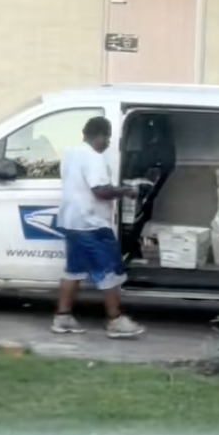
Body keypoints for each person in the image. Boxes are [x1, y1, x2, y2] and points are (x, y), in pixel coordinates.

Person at [51, 115, 145, 339]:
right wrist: (126, 191)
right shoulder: (93, 158)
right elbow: (100, 190)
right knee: (109, 269)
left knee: (74, 271)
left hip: (71, 222)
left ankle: (63, 317)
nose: (108, 144)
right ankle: (115, 320)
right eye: (108, 139)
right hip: (91, 224)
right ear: (101, 136)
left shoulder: (70, 156)